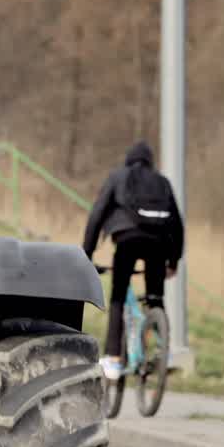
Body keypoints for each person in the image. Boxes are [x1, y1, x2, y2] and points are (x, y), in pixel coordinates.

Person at [83, 141, 185, 381]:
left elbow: (97, 213)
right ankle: (163, 353)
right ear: (151, 161)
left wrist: (86, 255)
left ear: (128, 160)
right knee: (155, 297)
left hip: (127, 239)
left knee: (118, 295)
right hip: (159, 244)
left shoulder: (118, 177)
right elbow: (178, 225)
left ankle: (113, 359)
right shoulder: (162, 182)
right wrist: (174, 261)